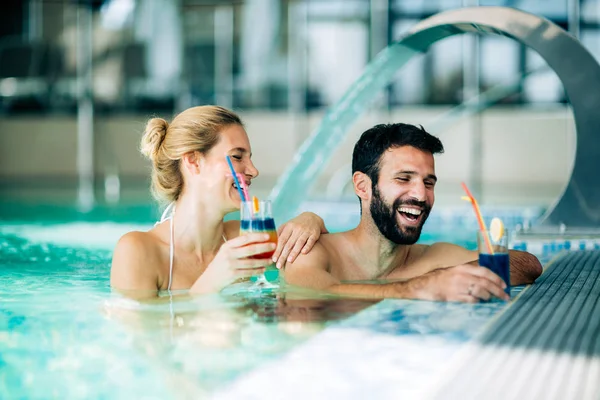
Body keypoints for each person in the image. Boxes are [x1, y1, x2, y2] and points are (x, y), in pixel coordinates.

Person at [284, 123, 543, 303]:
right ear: (363, 186)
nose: (420, 195)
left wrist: (437, 277)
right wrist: (417, 287)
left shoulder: (433, 259)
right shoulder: (311, 251)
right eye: (404, 178)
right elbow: (317, 293)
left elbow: (527, 264)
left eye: (428, 183)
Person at [110, 105, 327, 299]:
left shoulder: (245, 238)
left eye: (250, 158)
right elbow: (141, 333)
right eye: (237, 157)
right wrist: (212, 282)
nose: (253, 170)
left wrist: (312, 221)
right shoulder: (139, 251)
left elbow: (323, 261)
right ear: (193, 161)